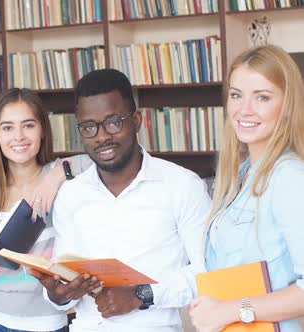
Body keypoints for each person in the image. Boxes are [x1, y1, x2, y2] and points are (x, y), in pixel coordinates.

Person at [30, 68, 212, 332]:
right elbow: (63, 281)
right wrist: (59, 294)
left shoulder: (183, 186)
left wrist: (142, 295)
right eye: (89, 127)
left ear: (136, 120)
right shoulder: (71, 194)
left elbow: (207, 274)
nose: (102, 136)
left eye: (113, 121)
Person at [0, 88, 96, 332]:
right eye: (7, 127)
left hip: (46, 323)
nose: (18, 136)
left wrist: (58, 173)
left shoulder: (61, 177)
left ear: (42, 130)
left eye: (28, 125)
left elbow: (103, 159)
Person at [188, 45, 304, 332]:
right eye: (236, 95)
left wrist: (231, 310)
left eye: (262, 97)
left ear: (287, 106)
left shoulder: (289, 177)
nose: (244, 110)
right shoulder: (239, 174)